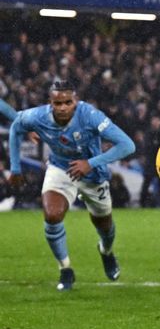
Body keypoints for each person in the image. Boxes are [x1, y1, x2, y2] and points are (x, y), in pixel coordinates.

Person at [7, 80, 136, 291]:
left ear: (75, 101)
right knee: (52, 215)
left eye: (68, 102)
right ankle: (65, 269)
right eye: (58, 103)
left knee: (105, 227)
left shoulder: (90, 116)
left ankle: (106, 252)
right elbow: (15, 128)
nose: (63, 107)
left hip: (94, 175)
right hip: (61, 169)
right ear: (50, 103)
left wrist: (90, 163)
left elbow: (128, 145)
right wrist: (15, 168)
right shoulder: (37, 116)